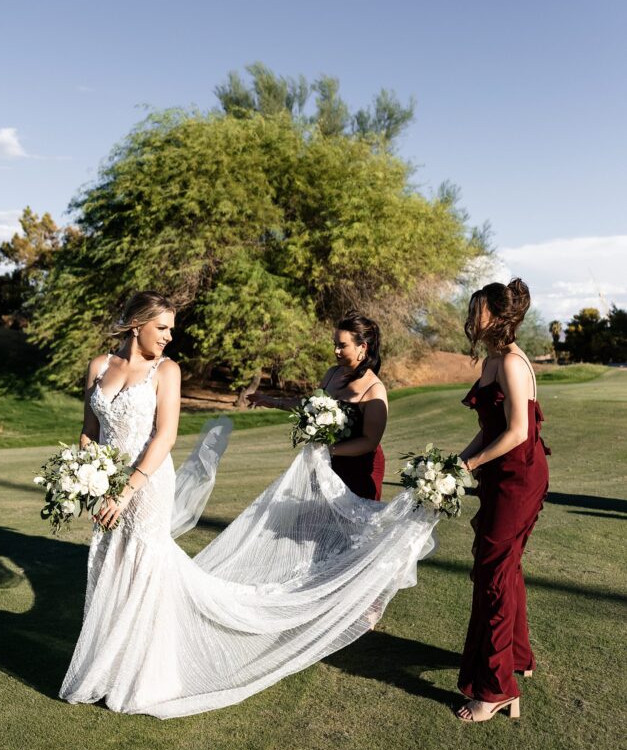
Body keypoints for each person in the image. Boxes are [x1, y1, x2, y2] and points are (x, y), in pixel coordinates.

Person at [60, 292, 438, 719]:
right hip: (107, 484)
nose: (169, 336)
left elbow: (164, 436)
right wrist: (90, 480)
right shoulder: (98, 367)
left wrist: (127, 490)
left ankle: (148, 671)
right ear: (136, 325)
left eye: (170, 328)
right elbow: (89, 430)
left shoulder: (167, 371)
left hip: (147, 486)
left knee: (146, 566)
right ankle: (106, 663)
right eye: (162, 328)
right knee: (110, 561)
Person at [456, 278, 550, 722]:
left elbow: (517, 433)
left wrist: (472, 467)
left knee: (494, 571)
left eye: (477, 310)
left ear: (497, 315)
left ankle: (495, 690)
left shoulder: (511, 362)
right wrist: (457, 462)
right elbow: (492, 428)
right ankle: (517, 657)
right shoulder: (493, 359)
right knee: (504, 567)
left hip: (519, 476)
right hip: (502, 473)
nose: (471, 317)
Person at [249, 314, 388, 500]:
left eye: (342, 346)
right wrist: (272, 401)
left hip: (358, 468)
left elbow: (370, 441)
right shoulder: (333, 373)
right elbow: (311, 405)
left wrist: (328, 450)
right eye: (335, 344)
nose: (336, 351)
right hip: (326, 461)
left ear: (362, 347)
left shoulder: (374, 389)